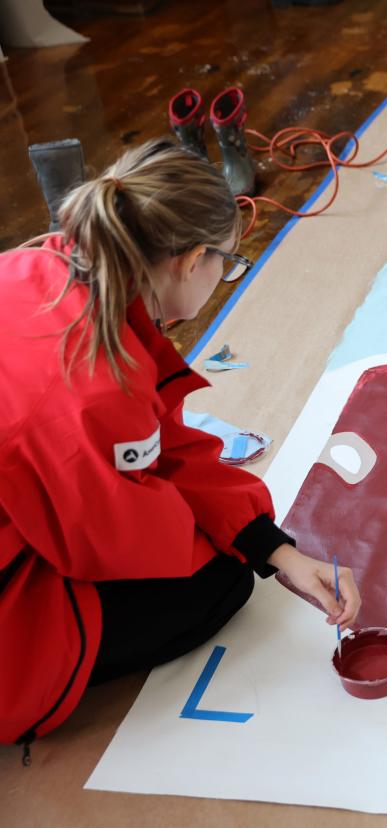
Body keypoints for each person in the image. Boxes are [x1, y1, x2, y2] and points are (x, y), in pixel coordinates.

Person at [0, 139, 361, 756]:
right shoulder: (90, 384)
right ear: (192, 261)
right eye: (229, 263)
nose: (225, 276)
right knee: (219, 582)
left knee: (232, 554)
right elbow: (117, 542)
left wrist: (270, 547)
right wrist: (241, 555)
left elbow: (161, 440)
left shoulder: (52, 269)